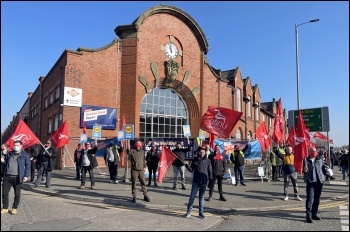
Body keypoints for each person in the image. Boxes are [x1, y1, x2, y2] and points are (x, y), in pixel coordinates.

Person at [1, 140, 31, 215]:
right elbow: (6, 164)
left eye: (17, 145)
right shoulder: (10, 153)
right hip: (7, 176)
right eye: (15, 145)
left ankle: (14, 208)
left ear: (21, 146)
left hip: (18, 177)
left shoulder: (25, 155)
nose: (16, 146)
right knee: (4, 193)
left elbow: (28, 166)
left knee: (17, 194)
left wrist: (26, 176)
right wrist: (2, 161)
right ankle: (5, 208)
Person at [184, 147, 213, 219]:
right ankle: (188, 211)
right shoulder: (195, 160)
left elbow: (210, 172)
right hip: (196, 181)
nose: (202, 153)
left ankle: (201, 213)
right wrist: (187, 165)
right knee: (192, 196)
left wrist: (210, 181)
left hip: (204, 181)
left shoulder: (208, 161)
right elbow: (191, 170)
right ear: (198, 153)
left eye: (203, 152)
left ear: (205, 152)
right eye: (201, 152)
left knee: (201, 198)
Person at [303, 147, 327, 223]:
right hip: (310, 182)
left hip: (319, 182)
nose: (314, 152)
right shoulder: (306, 160)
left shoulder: (319, 159)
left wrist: (324, 176)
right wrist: (304, 169)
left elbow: (323, 169)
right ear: (309, 152)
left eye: (315, 151)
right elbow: (300, 169)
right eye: (312, 151)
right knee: (310, 198)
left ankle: (314, 214)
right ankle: (308, 215)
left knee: (317, 199)